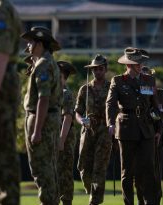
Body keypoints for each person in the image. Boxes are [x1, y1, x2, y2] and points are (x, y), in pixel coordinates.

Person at [106, 47, 162, 205]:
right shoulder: (118, 81)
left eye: (141, 62)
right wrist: (110, 123)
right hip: (126, 128)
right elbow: (110, 104)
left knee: (149, 170)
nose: (140, 65)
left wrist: (159, 128)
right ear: (129, 65)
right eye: (137, 63)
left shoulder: (149, 80)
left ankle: (150, 202)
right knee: (127, 172)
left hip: (146, 129)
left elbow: (155, 106)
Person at [0, 0, 22, 204]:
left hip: (0, 80)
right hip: (0, 79)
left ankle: (8, 199)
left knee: (2, 149)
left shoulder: (1, 9)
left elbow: (1, 53)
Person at [21, 26, 62, 205]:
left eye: (31, 42)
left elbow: (43, 98)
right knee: (49, 169)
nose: (28, 45)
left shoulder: (43, 64)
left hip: (41, 119)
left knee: (42, 169)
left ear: (40, 44)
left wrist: (37, 130)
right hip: (48, 118)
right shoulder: (48, 61)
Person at [75, 54, 112, 205]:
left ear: (105, 70)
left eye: (100, 69)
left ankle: (94, 201)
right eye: (95, 69)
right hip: (88, 129)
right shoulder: (85, 89)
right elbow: (77, 111)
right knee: (83, 167)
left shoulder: (111, 88)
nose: (97, 72)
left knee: (99, 167)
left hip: (104, 129)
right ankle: (91, 191)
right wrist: (81, 121)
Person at [136, 66, 163, 205]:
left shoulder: (162, 94)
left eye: (148, 77)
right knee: (139, 177)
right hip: (138, 140)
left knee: (155, 176)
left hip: (156, 141)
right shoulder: (135, 93)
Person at [56, 60, 77, 205]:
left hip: (64, 139)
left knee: (65, 174)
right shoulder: (53, 93)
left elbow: (68, 119)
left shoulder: (66, 94)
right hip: (53, 138)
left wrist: (61, 141)